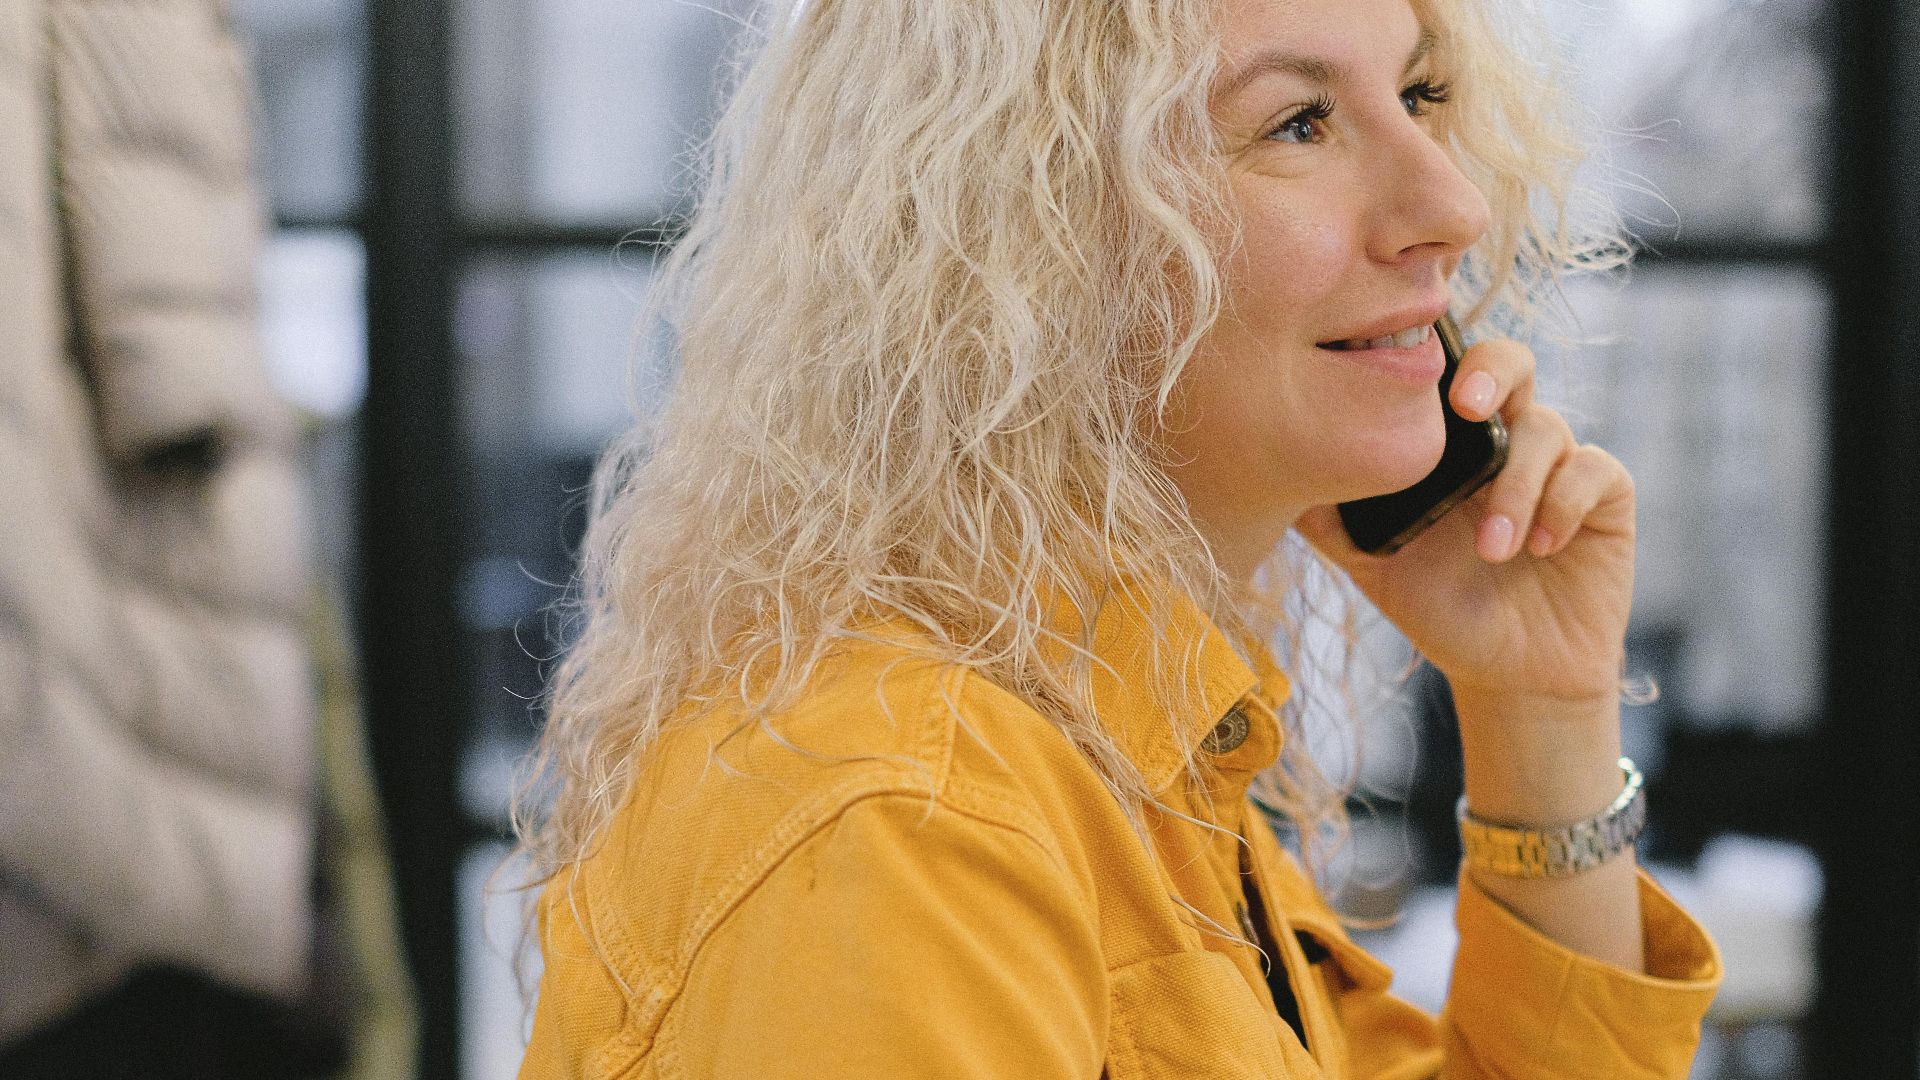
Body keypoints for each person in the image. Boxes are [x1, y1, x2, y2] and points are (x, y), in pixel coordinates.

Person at [515, 0, 1724, 1075]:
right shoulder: (912, 821)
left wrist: (1542, 713)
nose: (1452, 208)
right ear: (1023, 237)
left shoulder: (1111, 731)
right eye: (1299, 122)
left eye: (1418, 95)